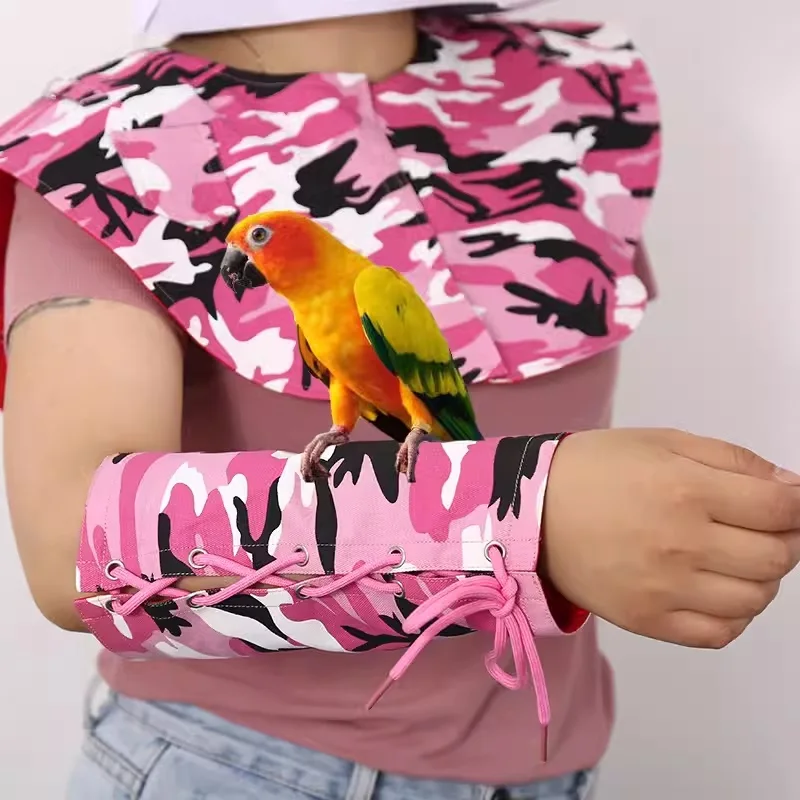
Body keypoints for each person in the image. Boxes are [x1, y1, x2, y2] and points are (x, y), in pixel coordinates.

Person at [1, 3, 799, 799]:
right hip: (240, 771)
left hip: (559, 762)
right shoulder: (101, 149)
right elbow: (74, 545)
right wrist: (524, 517)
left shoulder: (564, 93)